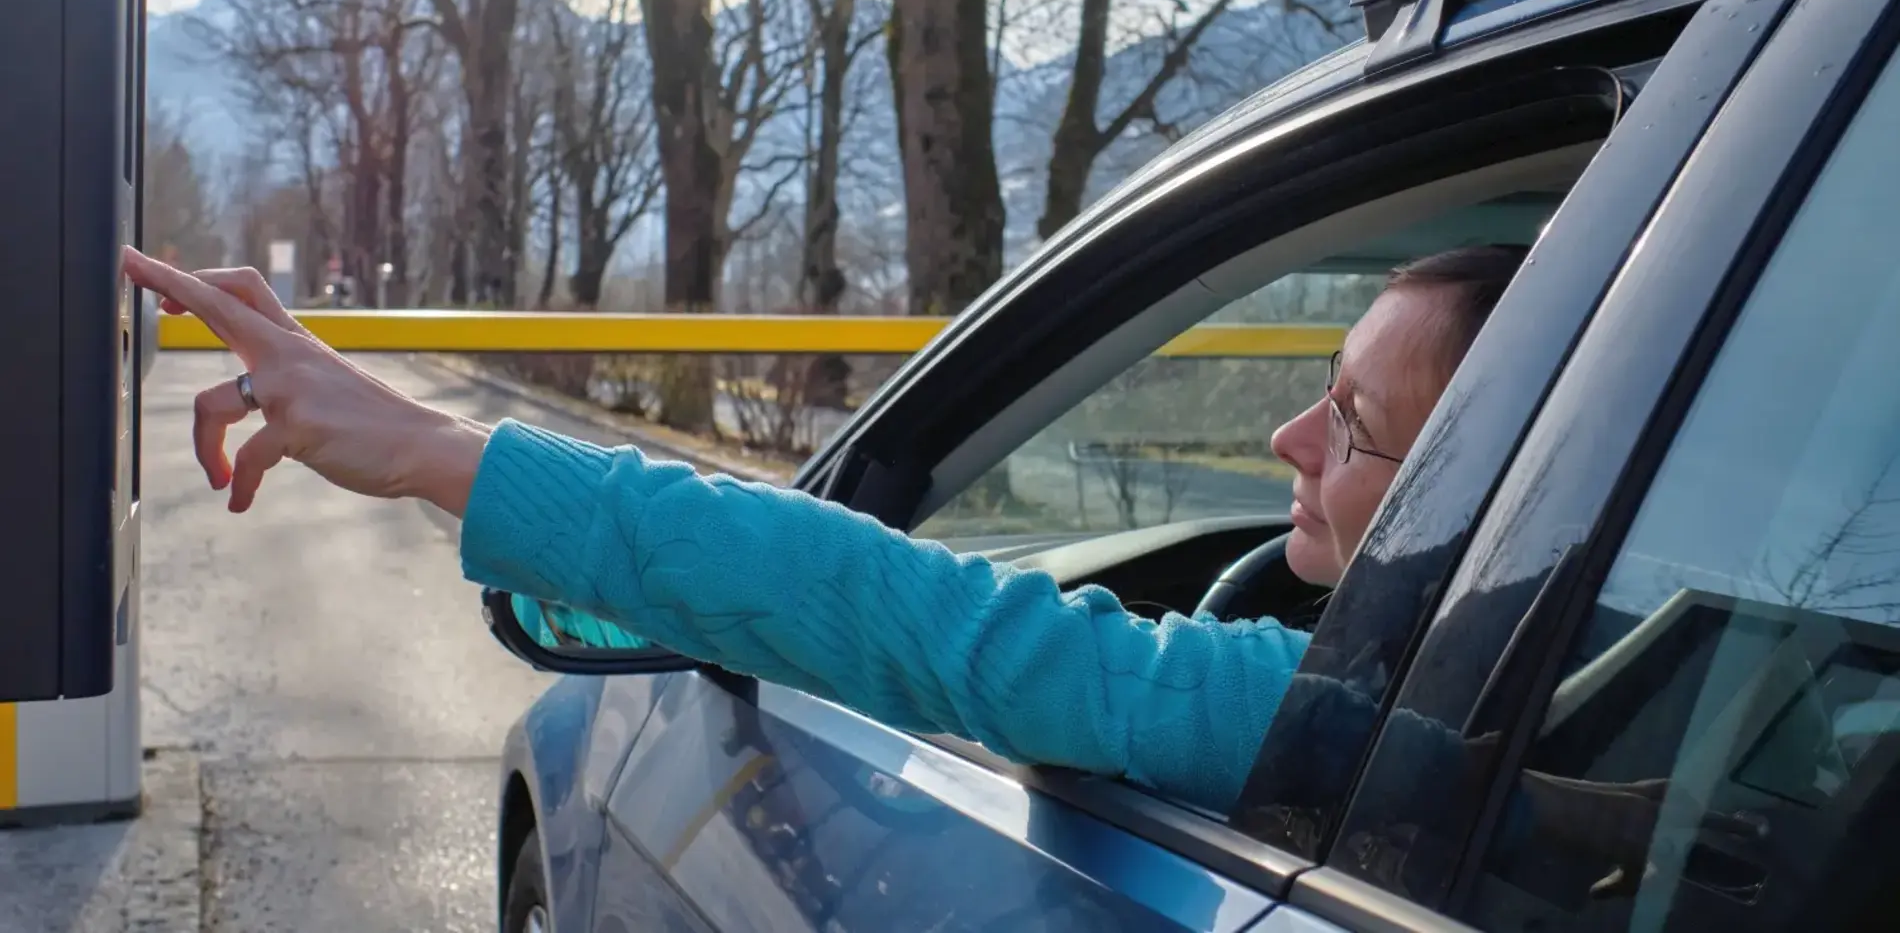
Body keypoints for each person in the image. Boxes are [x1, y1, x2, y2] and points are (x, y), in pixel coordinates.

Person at [120, 243, 1521, 814]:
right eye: (1318, 391)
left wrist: (434, 453)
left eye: (1350, 420)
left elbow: (918, 619)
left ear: (1485, 496)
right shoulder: (1561, 690)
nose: (1286, 440)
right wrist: (412, 427)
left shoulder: (1353, 718)